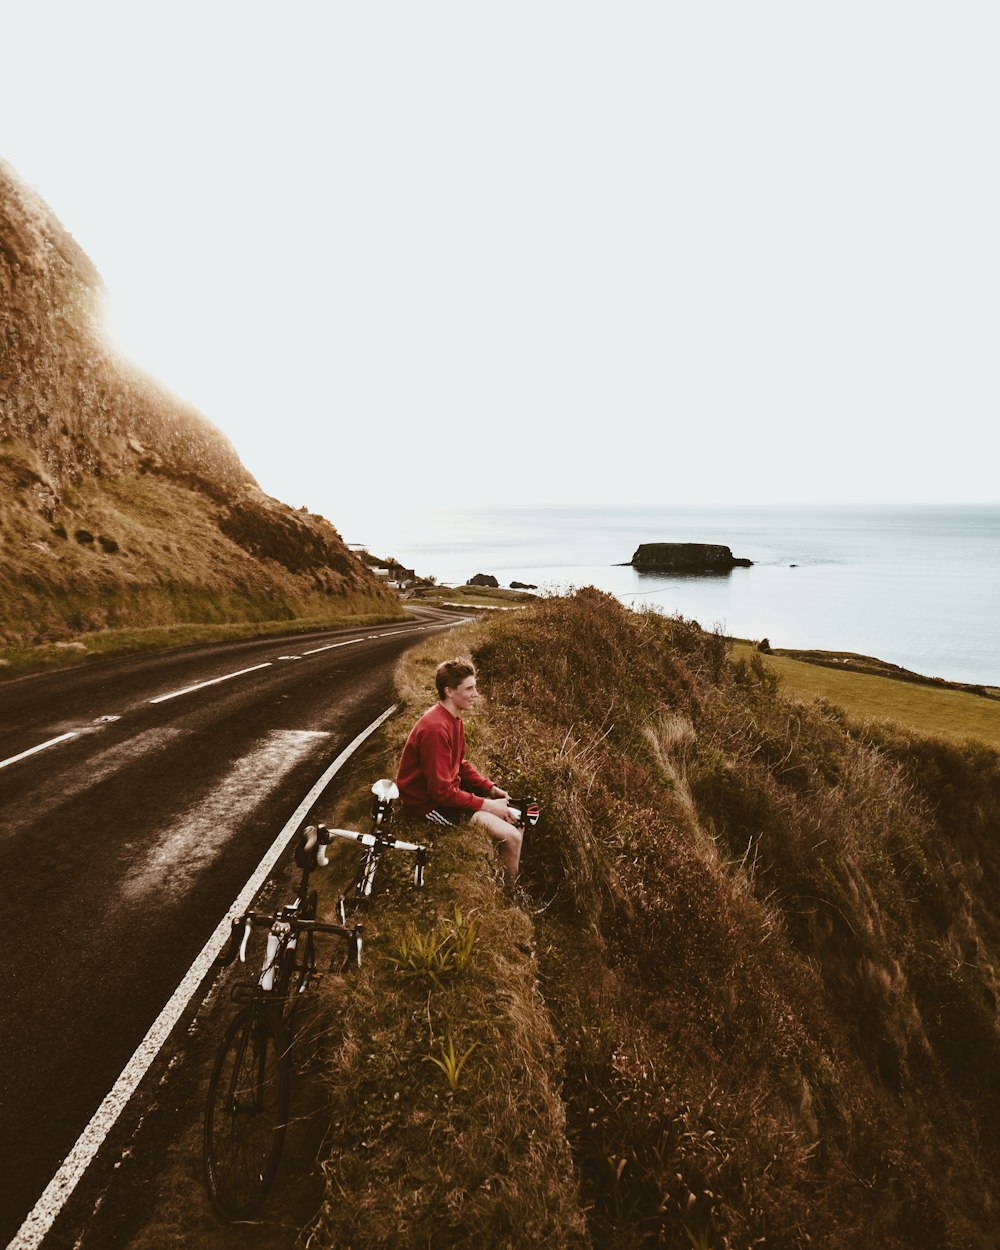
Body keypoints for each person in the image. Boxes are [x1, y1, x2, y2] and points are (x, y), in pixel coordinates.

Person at [396, 657, 522, 889]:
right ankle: (511, 896)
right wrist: (488, 805)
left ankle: (507, 880)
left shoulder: (453, 717)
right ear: (450, 691)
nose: (475, 694)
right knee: (513, 837)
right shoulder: (435, 729)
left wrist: (489, 788)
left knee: (518, 819)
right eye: (469, 688)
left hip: (447, 792)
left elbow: (459, 762)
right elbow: (440, 792)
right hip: (427, 804)